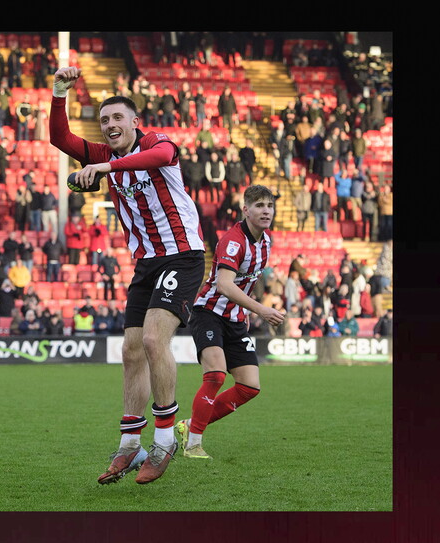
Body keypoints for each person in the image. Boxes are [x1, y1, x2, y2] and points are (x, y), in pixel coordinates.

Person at [50, 67, 207, 485]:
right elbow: (61, 139)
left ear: (135, 122)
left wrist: (105, 168)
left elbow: (162, 158)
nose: (110, 125)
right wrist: (59, 93)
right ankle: (129, 444)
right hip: (147, 263)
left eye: (118, 118)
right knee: (131, 351)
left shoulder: (155, 142)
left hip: (182, 256)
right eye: (104, 120)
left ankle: (164, 441)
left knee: (154, 340)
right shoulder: (105, 154)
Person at [176, 184, 284, 460]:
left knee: (249, 386)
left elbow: (247, 282)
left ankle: (190, 425)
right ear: (245, 210)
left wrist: (245, 313)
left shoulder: (266, 242)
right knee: (216, 375)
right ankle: (193, 445)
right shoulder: (233, 241)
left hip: (235, 318)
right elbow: (224, 285)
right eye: (259, 206)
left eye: (269, 206)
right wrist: (260, 310)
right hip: (208, 313)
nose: (266, 211)